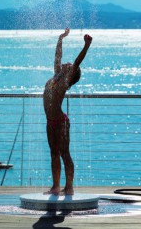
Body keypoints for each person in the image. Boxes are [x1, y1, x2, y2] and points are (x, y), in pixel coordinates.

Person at [43, 28, 92, 195]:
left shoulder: (64, 81)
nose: (67, 63)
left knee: (64, 153)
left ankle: (69, 187)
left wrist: (86, 46)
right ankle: (56, 186)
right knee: (54, 153)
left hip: (61, 122)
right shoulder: (57, 74)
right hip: (50, 122)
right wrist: (60, 39)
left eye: (70, 66)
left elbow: (77, 62)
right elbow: (57, 56)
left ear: (71, 74)